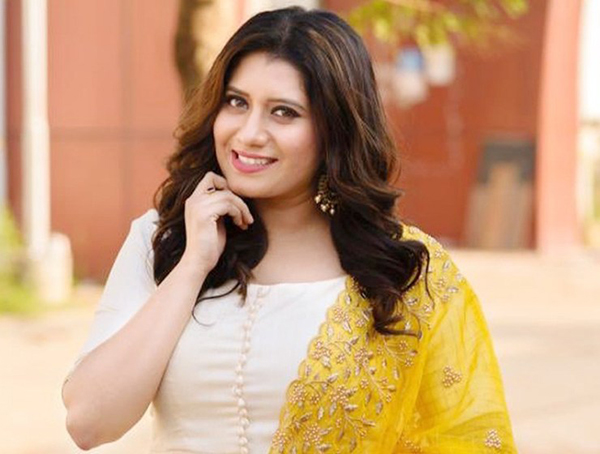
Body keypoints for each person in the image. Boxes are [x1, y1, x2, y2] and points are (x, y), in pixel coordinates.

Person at [62, 6, 516, 454]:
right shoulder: (163, 239)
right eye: (236, 102)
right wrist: (193, 266)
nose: (249, 133)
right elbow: (90, 423)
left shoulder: (401, 271)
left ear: (335, 129)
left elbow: (464, 437)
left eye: (284, 112)